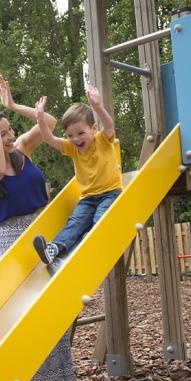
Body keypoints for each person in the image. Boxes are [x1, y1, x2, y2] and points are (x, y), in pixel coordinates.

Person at [0, 74, 83, 381]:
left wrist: (10, 107)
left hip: (46, 229)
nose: (8, 137)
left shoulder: (22, 150)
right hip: (14, 239)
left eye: (8, 131)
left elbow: (49, 122)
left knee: (60, 304)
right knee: (25, 312)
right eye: (0, 133)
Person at [32, 85, 121, 272]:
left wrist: (97, 106)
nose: (76, 139)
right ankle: (54, 249)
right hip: (87, 199)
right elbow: (49, 139)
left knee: (100, 220)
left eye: (81, 133)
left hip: (110, 194)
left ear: (93, 128)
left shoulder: (103, 140)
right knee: (75, 222)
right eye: (70, 135)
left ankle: (83, 248)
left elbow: (110, 125)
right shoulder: (73, 149)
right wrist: (40, 117)